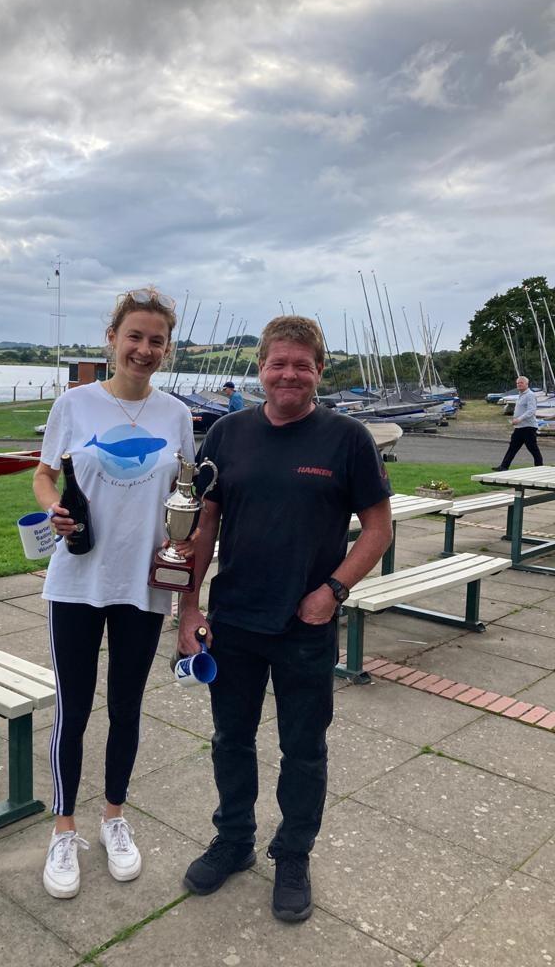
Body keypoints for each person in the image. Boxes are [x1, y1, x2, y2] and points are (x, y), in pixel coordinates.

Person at [177, 315, 393, 923]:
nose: (289, 374)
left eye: (302, 364)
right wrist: (189, 606)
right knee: (230, 740)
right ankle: (235, 840)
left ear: (319, 370)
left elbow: (378, 528)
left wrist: (334, 590)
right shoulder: (226, 434)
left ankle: (293, 854)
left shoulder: (347, 439)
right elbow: (203, 526)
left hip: (306, 626)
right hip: (235, 621)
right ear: (261, 369)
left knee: (303, 750)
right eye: (278, 362)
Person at [33, 287, 195, 899]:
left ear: (166, 348)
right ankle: (64, 827)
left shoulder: (176, 415)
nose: (144, 349)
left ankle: (114, 818)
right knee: (72, 710)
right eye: (135, 336)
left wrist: (185, 559)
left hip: (143, 582)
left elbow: (185, 493)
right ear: (112, 338)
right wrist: (55, 511)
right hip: (77, 580)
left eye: (156, 340)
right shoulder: (73, 404)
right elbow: (44, 475)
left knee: (126, 707)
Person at [492, 376, 543, 471]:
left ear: (527, 384)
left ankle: (539, 468)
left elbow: (531, 410)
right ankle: (504, 466)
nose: (519, 384)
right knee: (512, 447)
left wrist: (519, 419)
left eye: (521, 383)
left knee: (533, 449)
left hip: (528, 428)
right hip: (519, 428)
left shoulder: (530, 395)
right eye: (517, 383)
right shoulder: (521, 395)